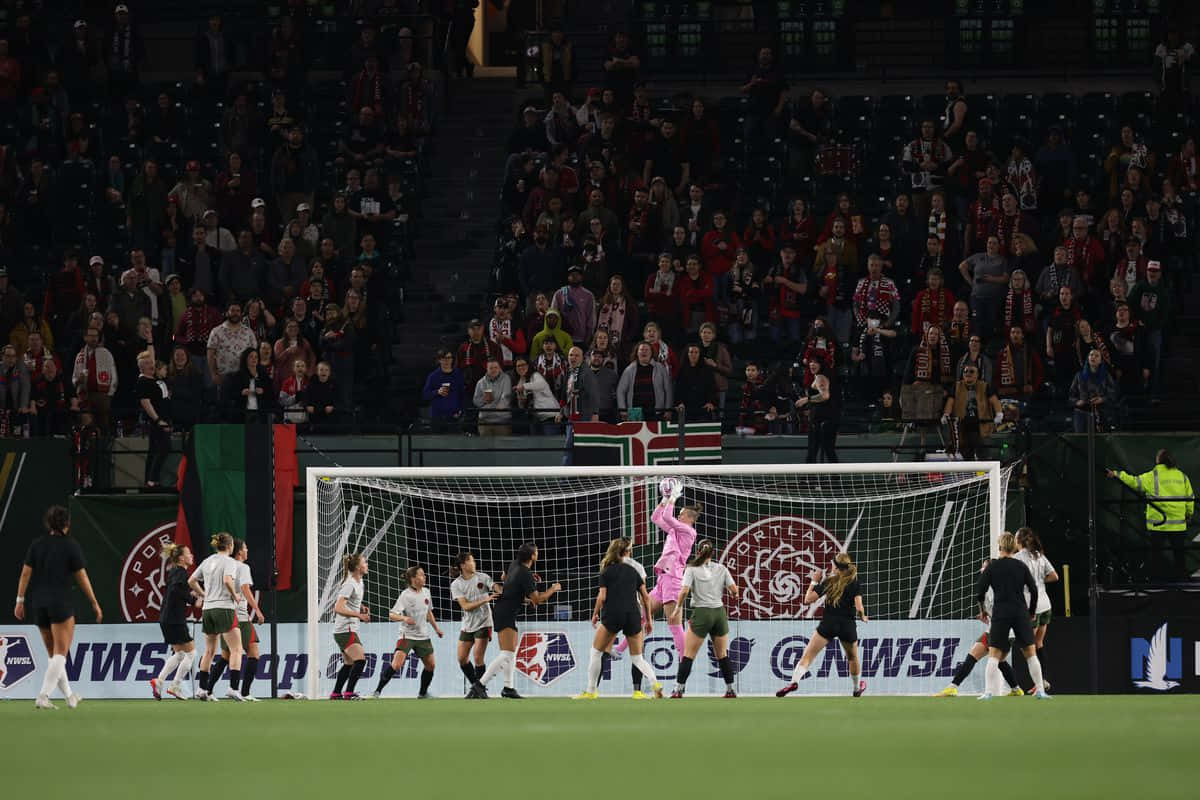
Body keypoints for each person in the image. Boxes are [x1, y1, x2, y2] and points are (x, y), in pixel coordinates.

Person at [14, 505, 102, 709]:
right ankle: (43, 696)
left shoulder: (37, 545)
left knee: (54, 655)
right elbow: (82, 577)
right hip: (60, 603)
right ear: (67, 524)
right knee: (61, 654)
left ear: (49, 524)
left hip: (39, 604)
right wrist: (94, 602)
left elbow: (25, 574)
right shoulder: (70, 545)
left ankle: (70, 696)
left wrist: (20, 601)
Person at [575, 538, 661, 700]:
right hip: (633, 614)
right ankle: (654, 683)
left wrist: (595, 614)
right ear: (627, 552)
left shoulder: (607, 570)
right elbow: (646, 598)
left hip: (613, 614)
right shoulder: (635, 570)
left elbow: (602, 596)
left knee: (596, 652)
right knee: (637, 657)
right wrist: (649, 619)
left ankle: (591, 691)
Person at [475, 542, 561, 699]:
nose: (538, 553)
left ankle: (508, 688)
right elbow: (537, 600)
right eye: (537, 551)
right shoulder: (525, 573)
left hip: (505, 610)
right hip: (505, 613)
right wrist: (552, 589)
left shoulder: (514, 565)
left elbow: (506, 580)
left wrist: (527, 586)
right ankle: (479, 685)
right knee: (506, 654)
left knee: (510, 653)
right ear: (532, 556)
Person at [776, 552, 868, 698]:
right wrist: (863, 616)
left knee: (807, 657)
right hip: (847, 625)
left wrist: (814, 581)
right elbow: (859, 606)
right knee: (852, 658)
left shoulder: (828, 581)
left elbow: (807, 599)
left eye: (833, 565)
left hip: (828, 624)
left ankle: (794, 681)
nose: (831, 566)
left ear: (837, 568)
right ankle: (857, 688)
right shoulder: (854, 582)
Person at [974, 532, 1051, 700]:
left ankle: (988, 692)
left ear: (1000, 547)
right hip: (1019, 612)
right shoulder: (1020, 566)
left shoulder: (992, 567)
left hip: (1001, 612)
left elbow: (980, 592)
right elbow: (1034, 589)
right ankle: (1040, 691)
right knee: (1030, 652)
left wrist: (983, 610)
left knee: (994, 654)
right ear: (1013, 547)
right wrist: (1031, 612)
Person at [935, 558, 1024, 698]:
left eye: (984, 568)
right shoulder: (991, 587)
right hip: (999, 629)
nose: (982, 570)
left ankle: (971, 690)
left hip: (1002, 630)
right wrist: (985, 614)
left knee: (986, 659)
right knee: (990, 659)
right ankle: (1016, 689)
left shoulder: (996, 588)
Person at [1107, 450, 1195, 580]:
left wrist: (1116, 474)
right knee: (1179, 557)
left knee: (1156, 556)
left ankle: (1156, 583)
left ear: (1158, 460)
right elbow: (1190, 498)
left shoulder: (1152, 476)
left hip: (1158, 525)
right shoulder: (1182, 476)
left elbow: (1133, 482)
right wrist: (1189, 514)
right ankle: (1182, 583)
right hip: (1178, 525)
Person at [671, 539, 740, 698]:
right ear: (712, 553)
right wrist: (734, 594)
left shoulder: (691, 568)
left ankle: (678, 689)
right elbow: (734, 590)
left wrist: (677, 608)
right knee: (722, 654)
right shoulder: (721, 568)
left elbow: (684, 592)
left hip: (702, 613)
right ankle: (730, 689)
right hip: (719, 613)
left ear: (697, 552)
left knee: (689, 654)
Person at [646, 479, 700, 661]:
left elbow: (668, 517)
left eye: (682, 514)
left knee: (674, 624)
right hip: (663, 578)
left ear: (690, 519)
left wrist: (674, 498)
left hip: (674, 579)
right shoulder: (674, 531)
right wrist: (664, 499)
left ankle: (685, 660)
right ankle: (620, 650)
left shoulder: (688, 532)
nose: (679, 515)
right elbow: (655, 518)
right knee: (642, 613)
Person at [187, 532, 244, 702]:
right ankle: (233, 688)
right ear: (230, 546)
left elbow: (191, 580)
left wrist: (204, 594)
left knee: (209, 651)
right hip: (223, 608)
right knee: (236, 649)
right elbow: (227, 580)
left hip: (208, 609)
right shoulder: (229, 562)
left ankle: (202, 689)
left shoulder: (207, 561)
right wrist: (235, 596)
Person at [374, 566, 444, 699]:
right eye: (421, 575)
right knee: (397, 664)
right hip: (407, 635)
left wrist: (436, 629)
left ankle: (422, 693)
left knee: (431, 665)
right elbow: (392, 615)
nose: (425, 577)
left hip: (423, 636)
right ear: (413, 579)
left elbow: (429, 612)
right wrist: (404, 618)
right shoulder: (406, 595)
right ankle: (377, 691)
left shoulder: (426, 592)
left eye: (424, 574)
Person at [149, 543, 196, 701]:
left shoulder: (174, 571)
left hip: (166, 618)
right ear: (182, 558)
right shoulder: (181, 572)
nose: (191, 556)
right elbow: (177, 590)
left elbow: (176, 590)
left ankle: (159, 681)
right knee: (191, 653)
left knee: (180, 653)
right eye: (189, 554)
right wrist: (192, 599)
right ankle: (175, 685)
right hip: (174, 619)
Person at [1014, 528, 1058, 694]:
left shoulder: (1018, 558)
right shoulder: (1039, 555)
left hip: (1030, 605)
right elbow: (1054, 576)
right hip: (1046, 604)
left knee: (1027, 646)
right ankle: (1044, 680)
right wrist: (1040, 581)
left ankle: (1038, 683)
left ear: (1019, 541)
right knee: (1038, 643)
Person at [450, 552, 499, 699]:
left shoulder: (482, 577)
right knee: (462, 658)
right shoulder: (456, 584)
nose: (474, 563)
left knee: (478, 657)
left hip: (484, 622)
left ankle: (480, 689)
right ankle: (476, 687)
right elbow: (465, 606)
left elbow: (495, 587)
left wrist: (501, 586)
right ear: (463, 565)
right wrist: (486, 599)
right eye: (471, 561)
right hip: (468, 624)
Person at [330, 553, 370, 699]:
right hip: (345, 629)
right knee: (360, 660)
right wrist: (359, 615)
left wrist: (361, 607)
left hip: (348, 629)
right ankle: (349, 693)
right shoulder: (350, 584)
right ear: (358, 567)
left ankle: (335, 693)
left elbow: (350, 603)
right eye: (364, 563)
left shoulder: (360, 582)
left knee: (349, 663)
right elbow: (338, 608)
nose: (367, 565)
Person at [942, 364, 1002, 461]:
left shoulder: (984, 386)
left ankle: (986, 475)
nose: (968, 374)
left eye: (971, 371)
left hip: (980, 426)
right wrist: (946, 414)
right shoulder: (957, 386)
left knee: (983, 455)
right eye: (965, 371)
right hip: (963, 426)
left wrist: (999, 414)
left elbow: (994, 401)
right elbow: (950, 401)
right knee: (966, 455)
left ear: (977, 374)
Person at [134, 351, 170, 487]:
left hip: (162, 418)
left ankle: (150, 480)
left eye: (151, 363)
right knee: (163, 448)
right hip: (155, 421)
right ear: (141, 367)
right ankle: (152, 479)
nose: (151, 365)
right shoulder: (143, 382)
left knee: (155, 449)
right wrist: (158, 420)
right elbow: (146, 403)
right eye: (147, 363)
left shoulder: (152, 380)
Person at [798, 358, 838, 463]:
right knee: (827, 451)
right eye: (811, 362)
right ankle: (834, 478)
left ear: (821, 365)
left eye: (815, 362)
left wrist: (807, 399)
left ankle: (808, 478)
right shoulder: (819, 377)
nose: (812, 364)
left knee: (815, 451)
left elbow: (825, 396)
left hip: (821, 421)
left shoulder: (820, 377)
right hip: (824, 419)